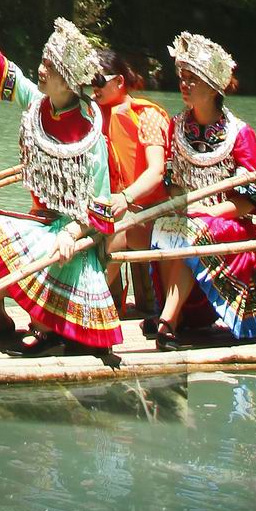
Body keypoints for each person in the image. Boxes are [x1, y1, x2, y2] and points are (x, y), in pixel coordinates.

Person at [0, 0, 121, 358]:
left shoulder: (91, 134)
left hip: (74, 237)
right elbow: (2, 67)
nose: (41, 70)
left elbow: (101, 205)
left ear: (68, 81)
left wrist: (73, 231)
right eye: (43, 61)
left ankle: (48, 326)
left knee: (54, 251)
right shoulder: (37, 104)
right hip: (39, 225)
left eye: (50, 67)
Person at [152, 30, 256, 343]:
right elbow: (171, 180)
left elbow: (250, 197)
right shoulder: (175, 126)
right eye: (183, 78)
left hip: (229, 224)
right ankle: (177, 313)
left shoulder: (240, 133)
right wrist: (185, 205)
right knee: (166, 225)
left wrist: (210, 210)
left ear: (213, 87)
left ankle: (167, 320)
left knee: (193, 230)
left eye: (193, 80)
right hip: (190, 216)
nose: (184, 86)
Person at [90, 49, 171, 316]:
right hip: (113, 209)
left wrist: (125, 198)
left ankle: (89, 303)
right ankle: (99, 301)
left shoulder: (146, 116)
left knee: (118, 226)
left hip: (152, 214)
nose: (94, 88)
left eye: (99, 80)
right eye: (90, 81)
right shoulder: (95, 118)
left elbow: (156, 171)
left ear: (119, 82)